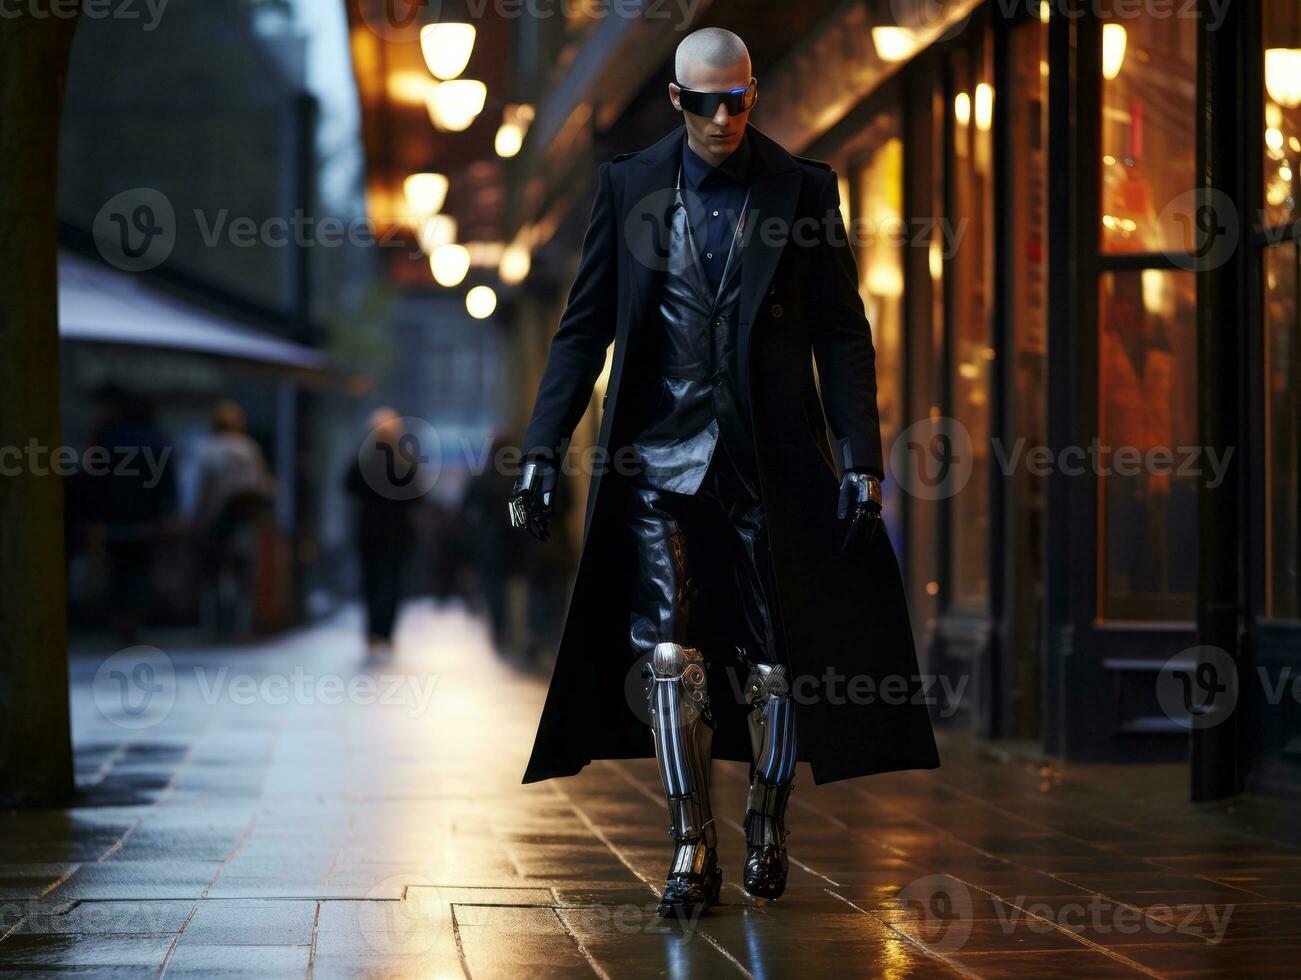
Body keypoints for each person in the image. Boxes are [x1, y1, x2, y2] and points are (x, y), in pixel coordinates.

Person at [508, 28, 940, 918]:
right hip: (660, 458)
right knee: (669, 656)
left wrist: (861, 459)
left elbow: (841, 332)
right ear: (675, 99)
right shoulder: (626, 185)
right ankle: (689, 845)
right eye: (703, 102)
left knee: (776, 662)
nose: (720, 118)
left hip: (771, 461)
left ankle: (767, 823)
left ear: (752, 95)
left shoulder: (802, 188)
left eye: (736, 100)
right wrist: (540, 452)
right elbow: (583, 330)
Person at [192, 400, 274, 639]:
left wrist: (198, 520)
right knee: (242, 574)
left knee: (213, 574)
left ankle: (214, 624)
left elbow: (204, 489)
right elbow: (261, 482)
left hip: (217, 520)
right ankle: (241, 624)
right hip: (245, 519)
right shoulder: (248, 448)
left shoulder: (209, 449)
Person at [345, 408, 420, 654]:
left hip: (370, 531)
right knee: (393, 583)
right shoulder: (403, 460)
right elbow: (418, 495)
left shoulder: (364, 458)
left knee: (371, 581)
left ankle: (374, 631)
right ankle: (385, 632)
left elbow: (348, 484)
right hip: (396, 531)